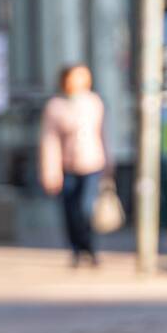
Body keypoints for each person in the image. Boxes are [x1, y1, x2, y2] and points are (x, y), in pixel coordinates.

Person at [39, 64, 109, 267]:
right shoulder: (55, 106)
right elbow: (49, 141)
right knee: (70, 210)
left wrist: (109, 160)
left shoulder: (94, 102)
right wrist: (50, 171)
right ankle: (76, 250)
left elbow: (103, 133)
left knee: (87, 209)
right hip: (66, 166)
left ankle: (90, 247)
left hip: (92, 163)